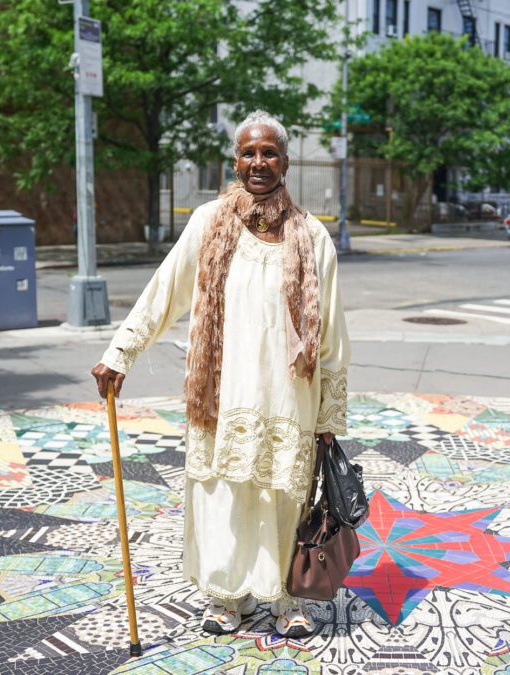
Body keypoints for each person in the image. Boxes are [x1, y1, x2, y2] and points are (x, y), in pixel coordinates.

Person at [91, 110, 349, 638]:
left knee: (284, 499)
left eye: (269, 152)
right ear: (236, 160)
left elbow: (332, 335)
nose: (259, 162)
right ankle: (227, 598)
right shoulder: (209, 222)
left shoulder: (313, 237)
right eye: (249, 152)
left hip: (288, 398)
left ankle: (282, 598)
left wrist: (328, 415)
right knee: (223, 497)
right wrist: (121, 353)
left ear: (285, 161)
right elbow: (165, 291)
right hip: (222, 394)